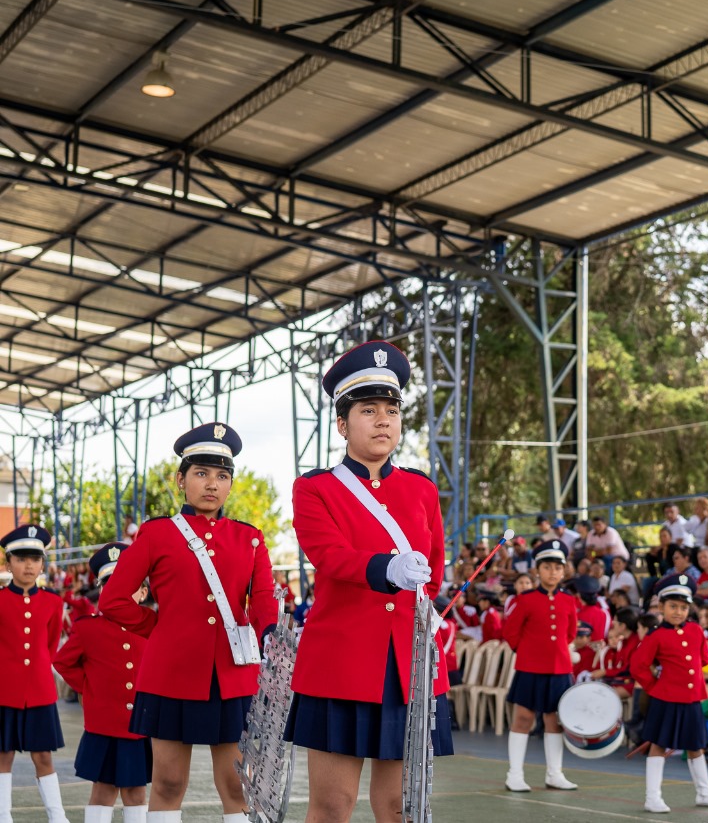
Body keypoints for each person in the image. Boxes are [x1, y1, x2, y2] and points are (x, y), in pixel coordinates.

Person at [279, 340, 450, 823]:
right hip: (343, 664)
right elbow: (329, 556)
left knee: (398, 807)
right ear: (342, 424)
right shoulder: (315, 487)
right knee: (332, 807)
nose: (383, 420)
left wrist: (426, 606)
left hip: (408, 666)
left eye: (391, 410)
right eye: (368, 409)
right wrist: (385, 568)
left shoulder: (421, 488)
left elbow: (433, 569)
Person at [99, 424, 274, 823]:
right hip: (171, 675)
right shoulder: (156, 534)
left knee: (236, 784)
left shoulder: (249, 538)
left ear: (230, 484)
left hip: (231, 677)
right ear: (181, 480)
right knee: (168, 783)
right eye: (201, 473)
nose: (212, 484)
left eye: (222, 476)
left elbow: (262, 598)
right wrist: (159, 630)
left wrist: (267, 633)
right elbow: (113, 600)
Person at [54, 543, 151, 823]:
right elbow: (62, 662)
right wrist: (89, 688)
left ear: (143, 592)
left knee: (136, 792)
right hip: (104, 726)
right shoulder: (88, 628)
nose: (118, 589)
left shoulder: (153, 625)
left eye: (129, 583)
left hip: (141, 725)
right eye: (111, 584)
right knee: (103, 790)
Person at [630, 575, 708, 813]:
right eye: (673, 606)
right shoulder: (656, 635)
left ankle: (704, 792)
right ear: (662, 607)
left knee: (696, 746)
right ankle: (652, 797)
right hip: (666, 699)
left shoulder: (696, 631)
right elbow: (638, 666)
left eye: (683, 607)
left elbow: (704, 659)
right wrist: (654, 687)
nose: (678, 612)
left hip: (691, 699)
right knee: (659, 745)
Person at [0, 525, 69, 823]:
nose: (28, 565)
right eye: (20, 558)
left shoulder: (54, 602)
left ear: (43, 563)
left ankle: (58, 816)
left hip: (40, 692)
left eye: (34, 558)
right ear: (7, 563)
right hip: (4, 691)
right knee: (3, 756)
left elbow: (50, 645)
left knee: (44, 757)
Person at [503, 539, 579, 792]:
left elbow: (570, 634)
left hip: (559, 669)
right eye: (547, 567)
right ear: (537, 570)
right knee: (523, 718)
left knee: (554, 720)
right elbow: (511, 631)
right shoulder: (525, 599)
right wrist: (526, 653)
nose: (553, 572)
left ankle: (554, 774)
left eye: (558, 567)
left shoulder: (569, 601)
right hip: (529, 668)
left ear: (564, 570)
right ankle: (514, 774)